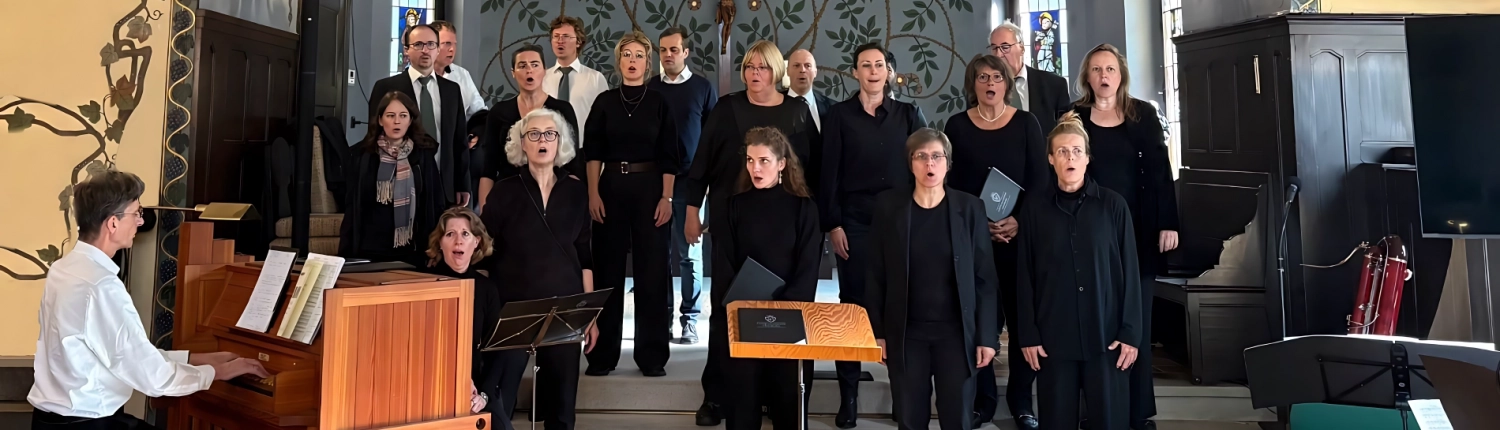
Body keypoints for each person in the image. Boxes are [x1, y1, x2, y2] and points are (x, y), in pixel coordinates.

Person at [29, 170, 270, 430]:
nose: (140, 222)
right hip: (87, 423)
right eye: (136, 214)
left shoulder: (62, 269)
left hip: (49, 420)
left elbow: (123, 354)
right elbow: (151, 377)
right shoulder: (102, 286)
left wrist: (193, 358)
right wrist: (217, 373)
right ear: (113, 224)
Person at [682, 39, 821, 426]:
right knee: (728, 316)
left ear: (777, 71)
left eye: (762, 67)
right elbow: (702, 163)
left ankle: (780, 401)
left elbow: (815, 165)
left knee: (782, 318)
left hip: (786, 219)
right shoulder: (727, 108)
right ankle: (720, 398)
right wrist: (692, 211)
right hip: (733, 216)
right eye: (749, 67)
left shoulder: (796, 111)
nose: (754, 74)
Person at [1070, 43, 1179, 430]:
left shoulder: (1142, 113)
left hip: (1140, 230)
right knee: (1095, 321)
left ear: (1121, 75)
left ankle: (1137, 411)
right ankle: (1095, 410)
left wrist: (1169, 222)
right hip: (1090, 234)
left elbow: (1160, 171)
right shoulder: (1074, 116)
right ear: (1087, 76)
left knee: (1137, 324)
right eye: (1096, 69)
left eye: (1110, 69)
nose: (1104, 76)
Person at [819, 42, 928, 428]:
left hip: (902, 222)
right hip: (855, 223)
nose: (872, 71)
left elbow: (926, 164)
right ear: (855, 73)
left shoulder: (908, 115)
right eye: (865, 65)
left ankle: (904, 396)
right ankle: (848, 397)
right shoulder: (838, 116)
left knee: (903, 309)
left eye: (879, 64)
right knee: (853, 309)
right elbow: (827, 173)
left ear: (889, 71)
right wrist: (832, 224)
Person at [1015, 112, 1143, 430]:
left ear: (1087, 158)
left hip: (1107, 339)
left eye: (1076, 151)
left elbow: (1131, 272)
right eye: (1062, 151)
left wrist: (1130, 333)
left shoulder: (1114, 207)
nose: (1069, 157)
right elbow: (1024, 277)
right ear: (1050, 158)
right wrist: (1028, 334)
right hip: (1053, 339)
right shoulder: (1033, 209)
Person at [866, 129, 999, 430]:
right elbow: (875, 273)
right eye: (921, 156)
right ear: (910, 163)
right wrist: (878, 332)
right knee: (911, 420)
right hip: (906, 333)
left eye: (937, 156)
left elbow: (985, 279)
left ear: (948, 164)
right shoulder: (889, 208)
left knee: (957, 418)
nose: (930, 164)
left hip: (956, 334)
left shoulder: (970, 208)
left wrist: (987, 337)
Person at [946, 54, 1049, 430]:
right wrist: (978, 226)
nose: (990, 83)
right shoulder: (956, 126)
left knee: (1024, 321)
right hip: (974, 241)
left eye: (997, 77)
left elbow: (1041, 183)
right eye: (982, 77)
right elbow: (950, 186)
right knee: (979, 321)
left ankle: (1022, 401)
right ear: (972, 85)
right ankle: (983, 400)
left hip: (1019, 240)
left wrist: (1018, 221)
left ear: (1008, 83)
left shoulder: (1027, 123)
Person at [480, 108, 598, 430]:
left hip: (566, 310)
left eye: (550, 134)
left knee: (562, 407)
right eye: (534, 134)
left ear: (560, 143)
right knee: (499, 402)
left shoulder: (576, 191)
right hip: (513, 309)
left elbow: (585, 254)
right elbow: (485, 254)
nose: (542, 140)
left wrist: (589, 315)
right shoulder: (504, 191)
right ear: (523, 143)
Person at [583, 31, 682, 378]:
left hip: (650, 189)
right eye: (626, 54)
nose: (632, 61)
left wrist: (667, 197)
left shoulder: (659, 103)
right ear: (618, 61)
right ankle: (602, 355)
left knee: (652, 273)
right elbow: (592, 153)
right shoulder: (604, 102)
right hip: (609, 188)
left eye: (639, 55)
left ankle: (652, 356)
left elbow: (671, 156)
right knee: (606, 272)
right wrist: (593, 193)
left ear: (647, 62)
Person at [721, 127, 824, 430]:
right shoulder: (735, 204)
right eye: (751, 160)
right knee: (743, 403)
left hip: (790, 318)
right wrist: (741, 305)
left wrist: (783, 307)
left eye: (764, 161)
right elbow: (726, 262)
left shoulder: (803, 207)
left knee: (788, 400)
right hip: (745, 314)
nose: (755, 168)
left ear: (782, 164)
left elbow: (808, 267)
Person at [648, 25, 717, 345]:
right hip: (654, 183)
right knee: (657, 254)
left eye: (674, 50)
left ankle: (689, 319)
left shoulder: (703, 88)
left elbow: (712, 141)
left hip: (691, 184)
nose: (668, 55)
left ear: (686, 52)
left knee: (689, 254)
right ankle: (660, 319)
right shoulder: (650, 88)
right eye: (663, 50)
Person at [339, 91, 449, 265]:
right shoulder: (363, 155)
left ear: (410, 120)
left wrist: (435, 247)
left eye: (403, 116)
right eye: (390, 116)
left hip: (413, 249)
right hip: (370, 248)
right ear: (381, 120)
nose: (397, 121)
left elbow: (435, 203)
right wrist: (344, 251)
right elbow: (352, 205)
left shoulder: (423, 156)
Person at [368, 23, 471, 208]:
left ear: (438, 49)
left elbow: (459, 140)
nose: (425, 50)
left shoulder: (452, 90)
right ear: (407, 50)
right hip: (401, 182)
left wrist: (463, 184)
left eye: (431, 44)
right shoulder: (386, 88)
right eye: (418, 45)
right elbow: (375, 136)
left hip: (443, 184)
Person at [422, 206, 503, 417]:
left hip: (478, 387)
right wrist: (458, 380)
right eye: (450, 234)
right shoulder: (424, 283)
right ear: (440, 243)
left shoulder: (487, 288)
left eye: (465, 234)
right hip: (433, 383)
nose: (458, 240)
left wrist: (483, 395)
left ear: (476, 242)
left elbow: (496, 350)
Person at [480, 44, 582, 208]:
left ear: (544, 70)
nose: (529, 70)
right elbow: (488, 168)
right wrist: (485, 214)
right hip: (507, 198)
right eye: (522, 66)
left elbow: (574, 165)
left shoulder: (562, 110)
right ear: (513, 72)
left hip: (554, 197)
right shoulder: (498, 112)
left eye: (535, 65)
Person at [989, 20, 1072, 140]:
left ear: (1022, 48)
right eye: (994, 48)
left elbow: (1067, 133)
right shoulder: (981, 89)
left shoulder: (1055, 85)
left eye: (1005, 47)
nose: (998, 54)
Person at [546, 15, 610, 147]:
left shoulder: (595, 79)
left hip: (583, 152)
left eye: (566, 36)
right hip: (548, 152)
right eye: (556, 36)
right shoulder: (542, 78)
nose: (560, 41)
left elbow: (606, 122)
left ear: (578, 41)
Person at [431, 20, 487, 120]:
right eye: (447, 43)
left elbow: (479, 111)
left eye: (454, 44)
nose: (452, 49)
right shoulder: (420, 77)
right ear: (432, 44)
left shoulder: (462, 74)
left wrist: (476, 132)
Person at [785, 49, 834, 132]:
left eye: (807, 66)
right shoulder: (774, 104)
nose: (802, 70)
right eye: (796, 65)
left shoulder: (832, 108)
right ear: (787, 71)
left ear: (815, 72)